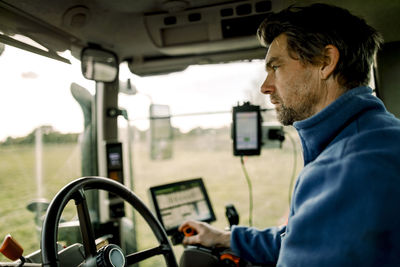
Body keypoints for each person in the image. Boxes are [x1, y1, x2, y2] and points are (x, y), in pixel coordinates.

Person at [179, 3, 400, 266]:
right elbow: (307, 239)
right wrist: (226, 238)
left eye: (276, 67)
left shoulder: (344, 169)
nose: (265, 86)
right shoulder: (378, 136)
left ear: (325, 62)